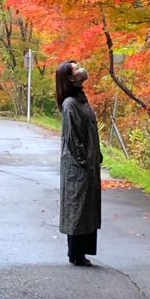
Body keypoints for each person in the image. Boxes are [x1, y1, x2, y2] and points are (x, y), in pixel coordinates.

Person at [55, 59, 102, 266]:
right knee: (77, 208)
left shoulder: (81, 99)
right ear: (69, 77)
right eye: (75, 68)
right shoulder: (70, 104)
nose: (81, 69)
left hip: (89, 164)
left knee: (87, 208)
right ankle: (75, 254)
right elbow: (73, 138)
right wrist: (83, 161)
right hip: (78, 166)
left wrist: (96, 156)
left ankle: (83, 251)